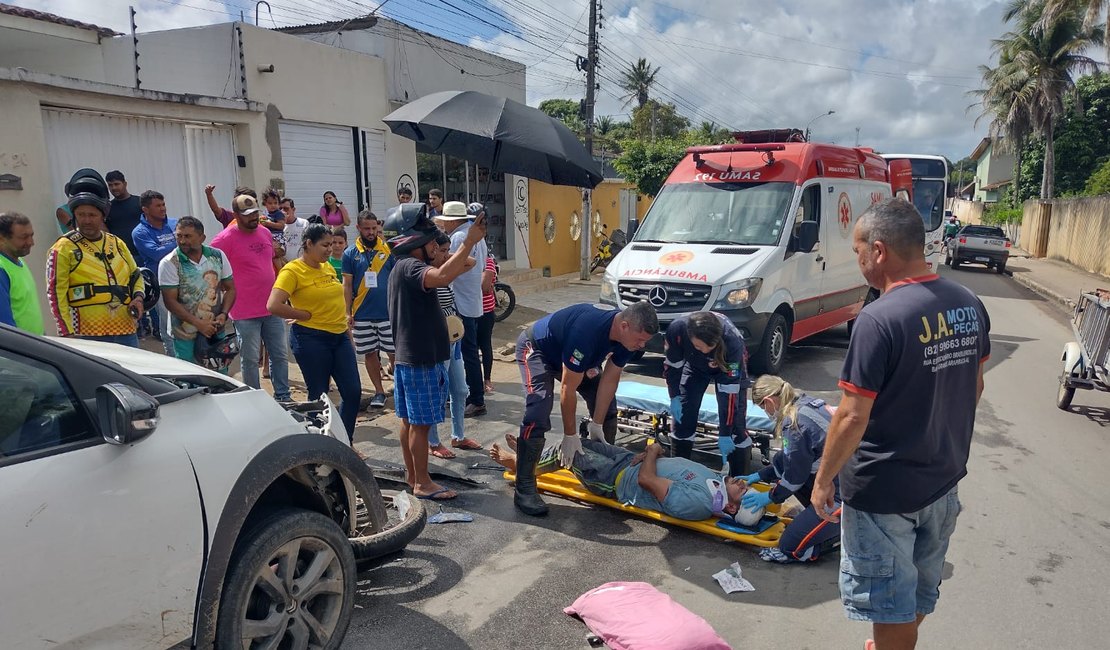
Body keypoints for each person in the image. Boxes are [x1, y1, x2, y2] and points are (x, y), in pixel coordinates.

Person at [811, 198, 990, 650]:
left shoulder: (878, 318)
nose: (859, 263)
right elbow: (975, 385)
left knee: (889, 602)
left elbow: (852, 416)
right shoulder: (967, 301)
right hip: (943, 478)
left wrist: (823, 479)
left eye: (857, 253)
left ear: (879, 250)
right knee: (918, 590)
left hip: (885, 489)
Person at [513, 300, 659, 516]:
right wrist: (570, 435)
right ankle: (524, 486)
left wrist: (597, 423)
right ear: (625, 326)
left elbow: (610, 380)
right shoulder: (587, 331)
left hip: (578, 359)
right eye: (640, 340)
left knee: (608, 409)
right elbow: (567, 387)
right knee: (538, 410)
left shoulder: (627, 338)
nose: (641, 346)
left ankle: (602, 471)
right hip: (538, 350)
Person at [384, 203, 487, 500]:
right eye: (432, 243)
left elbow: (449, 270)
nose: (436, 248)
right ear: (414, 241)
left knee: (410, 422)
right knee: (421, 423)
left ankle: (414, 475)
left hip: (410, 357)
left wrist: (468, 244)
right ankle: (423, 483)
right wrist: (469, 241)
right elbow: (442, 277)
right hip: (421, 359)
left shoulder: (401, 267)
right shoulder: (412, 267)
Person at [490, 435, 751, 522]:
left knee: (566, 451)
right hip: (628, 460)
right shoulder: (716, 481)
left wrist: (654, 450)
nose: (742, 483)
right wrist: (650, 452)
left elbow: (646, 481)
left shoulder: (700, 503)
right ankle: (530, 458)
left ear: (729, 507)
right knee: (578, 441)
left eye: (743, 492)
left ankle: (519, 464)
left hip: (615, 480)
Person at [268, 224, 362, 439]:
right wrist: (302, 315)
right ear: (308, 244)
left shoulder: (327, 267)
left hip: (339, 337)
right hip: (311, 339)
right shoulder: (292, 270)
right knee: (318, 396)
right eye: (325, 245)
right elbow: (273, 305)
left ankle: (344, 441)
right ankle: (318, 445)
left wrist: (348, 336)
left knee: (353, 392)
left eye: (331, 244)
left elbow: (336, 303)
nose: (330, 249)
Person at [742, 375, 840, 564]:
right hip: (840, 481)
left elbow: (795, 477)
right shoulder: (805, 404)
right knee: (782, 460)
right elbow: (789, 460)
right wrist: (760, 475)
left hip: (847, 494)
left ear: (769, 401)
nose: (765, 412)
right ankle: (827, 526)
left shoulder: (795, 423)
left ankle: (839, 534)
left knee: (789, 546)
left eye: (763, 407)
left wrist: (769, 497)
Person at [47, 168, 145, 346]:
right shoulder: (63, 248)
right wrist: (66, 332)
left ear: (103, 215)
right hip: (87, 333)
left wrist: (138, 298)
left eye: (92, 215)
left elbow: (135, 275)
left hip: (126, 330)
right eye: (81, 215)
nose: (86, 220)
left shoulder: (116, 243)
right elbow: (55, 293)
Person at [211, 194, 291, 401]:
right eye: (247, 214)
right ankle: (255, 398)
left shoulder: (264, 232)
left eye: (255, 212)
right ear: (236, 215)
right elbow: (210, 268)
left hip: (272, 307)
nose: (253, 217)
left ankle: (283, 395)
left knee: (280, 355)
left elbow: (273, 256)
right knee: (250, 359)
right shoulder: (224, 239)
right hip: (244, 311)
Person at [663, 311, 753, 475]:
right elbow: (672, 367)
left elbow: (730, 393)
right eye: (698, 347)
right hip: (694, 368)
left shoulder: (733, 342)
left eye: (708, 347)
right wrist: (674, 396)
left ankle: (740, 482)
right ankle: (678, 475)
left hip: (726, 370)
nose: (704, 351)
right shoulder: (677, 330)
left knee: (736, 427)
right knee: (682, 418)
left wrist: (725, 432)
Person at [425, 231, 481, 458]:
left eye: (448, 249)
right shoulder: (430, 275)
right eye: (442, 249)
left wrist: (448, 257)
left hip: (453, 340)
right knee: (437, 393)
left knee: (459, 390)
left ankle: (458, 436)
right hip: (437, 341)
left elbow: (471, 262)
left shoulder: (444, 273)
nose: (446, 254)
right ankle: (433, 442)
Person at [434, 201, 488, 418]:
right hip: (470, 300)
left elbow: (452, 266)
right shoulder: (473, 235)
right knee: (468, 352)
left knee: (466, 353)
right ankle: (471, 396)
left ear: (453, 221)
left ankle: (475, 399)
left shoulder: (459, 237)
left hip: (459, 302)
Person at [159, 216, 236, 365]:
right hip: (184, 333)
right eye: (179, 236)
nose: (182, 241)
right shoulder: (170, 263)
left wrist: (223, 314)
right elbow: (170, 301)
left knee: (218, 374)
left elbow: (231, 289)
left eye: (187, 236)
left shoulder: (217, 256)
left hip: (215, 329)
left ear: (202, 237)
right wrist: (199, 324)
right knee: (190, 377)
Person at [342, 210, 395, 408]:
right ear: (358, 228)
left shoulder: (389, 250)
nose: (371, 232)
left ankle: (400, 387)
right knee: (369, 353)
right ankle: (379, 391)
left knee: (395, 352)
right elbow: (347, 285)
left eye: (374, 228)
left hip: (388, 312)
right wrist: (347, 312)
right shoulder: (350, 253)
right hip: (362, 314)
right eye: (367, 229)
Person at [132, 190, 178, 354]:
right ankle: (175, 366)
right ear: (145, 209)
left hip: (185, 280)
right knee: (169, 327)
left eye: (163, 204)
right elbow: (158, 254)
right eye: (158, 205)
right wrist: (180, 243)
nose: (162, 208)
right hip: (161, 283)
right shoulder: (139, 232)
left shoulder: (175, 224)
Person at [0, 212, 44, 334]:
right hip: (18, 349)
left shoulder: (19, 262)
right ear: (2, 238)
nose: (31, 242)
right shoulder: (1, 268)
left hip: (34, 344)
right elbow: (4, 325)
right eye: (24, 237)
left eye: (31, 236)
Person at [105, 170, 142, 258]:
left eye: (117, 184)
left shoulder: (140, 202)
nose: (113, 188)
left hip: (142, 254)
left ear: (125, 184)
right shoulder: (107, 208)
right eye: (110, 185)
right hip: (120, 255)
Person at [479, 251, 497, 394]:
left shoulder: (487, 261)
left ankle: (487, 379)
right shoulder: (462, 260)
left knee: (485, 345)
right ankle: (474, 380)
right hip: (467, 312)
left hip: (485, 311)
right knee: (470, 348)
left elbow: (485, 287)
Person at [280, 197, 309, 263]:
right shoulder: (277, 227)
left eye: (286, 209)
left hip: (301, 263)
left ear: (293, 209)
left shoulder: (304, 223)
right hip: (284, 264)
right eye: (280, 209)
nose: (283, 211)